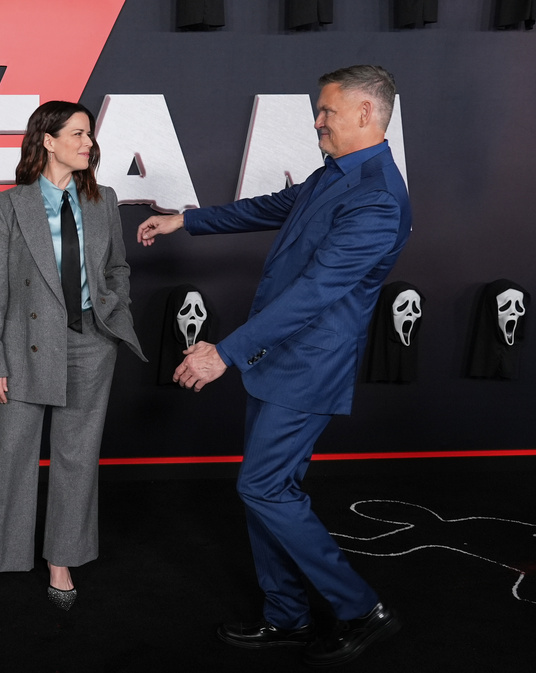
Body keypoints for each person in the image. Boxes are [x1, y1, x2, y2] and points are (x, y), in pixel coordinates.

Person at [136, 65, 410, 666]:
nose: (317, 122)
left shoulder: (379, 199)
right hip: (279, 360)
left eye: (327, 112)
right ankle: (285, 618)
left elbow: (315, 291)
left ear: (365, 113)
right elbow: (280, 205)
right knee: (271, 489)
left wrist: (224, 352)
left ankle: (361, 608)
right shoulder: (338, 174)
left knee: (261, 486)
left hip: (307, 367)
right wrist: (189, 218)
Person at [0, 101, 145, 613]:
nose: (88, 143)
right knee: (13, 455)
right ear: (48, 141)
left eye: (89, 134)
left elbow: (118, 269)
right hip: (25, 347)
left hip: (90, 343)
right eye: (78, 134)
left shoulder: (104, 201)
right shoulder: (8, 205)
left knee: (77, 458)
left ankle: (62, 559)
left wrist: (112, 313)